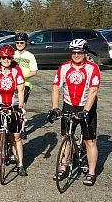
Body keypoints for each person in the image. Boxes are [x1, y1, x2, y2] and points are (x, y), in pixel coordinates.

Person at [49, 39, 101, 186]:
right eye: (74, 52)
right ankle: (63, 166)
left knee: (90, 141)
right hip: (69, 105)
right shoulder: (64, 67)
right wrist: (55, 108)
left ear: (85, 53)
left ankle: (91, 172)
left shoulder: (92, 68)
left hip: (87, 106)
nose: (76, 55)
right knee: (66, 137)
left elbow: (93, 91)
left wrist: (85, 111)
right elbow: (56, 88)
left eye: (79, 52)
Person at [0, 45, 27, 176]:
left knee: (16, 136)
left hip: (13, 105)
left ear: (12, 58)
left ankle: (20, 164)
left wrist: (20, 107)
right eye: (3, 57)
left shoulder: (17, 70)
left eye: (8, 57)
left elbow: (21, 91)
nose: (6, 60)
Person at [12, 32, 38, 109]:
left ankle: (22, 119)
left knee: (22, 103)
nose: (19, 44)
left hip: (25, 83)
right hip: (12, 82)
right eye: (17, 43)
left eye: (22, 43)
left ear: (26, 43)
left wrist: (21, 77)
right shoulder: (12, 54)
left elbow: (34, 72)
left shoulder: (30, 56)